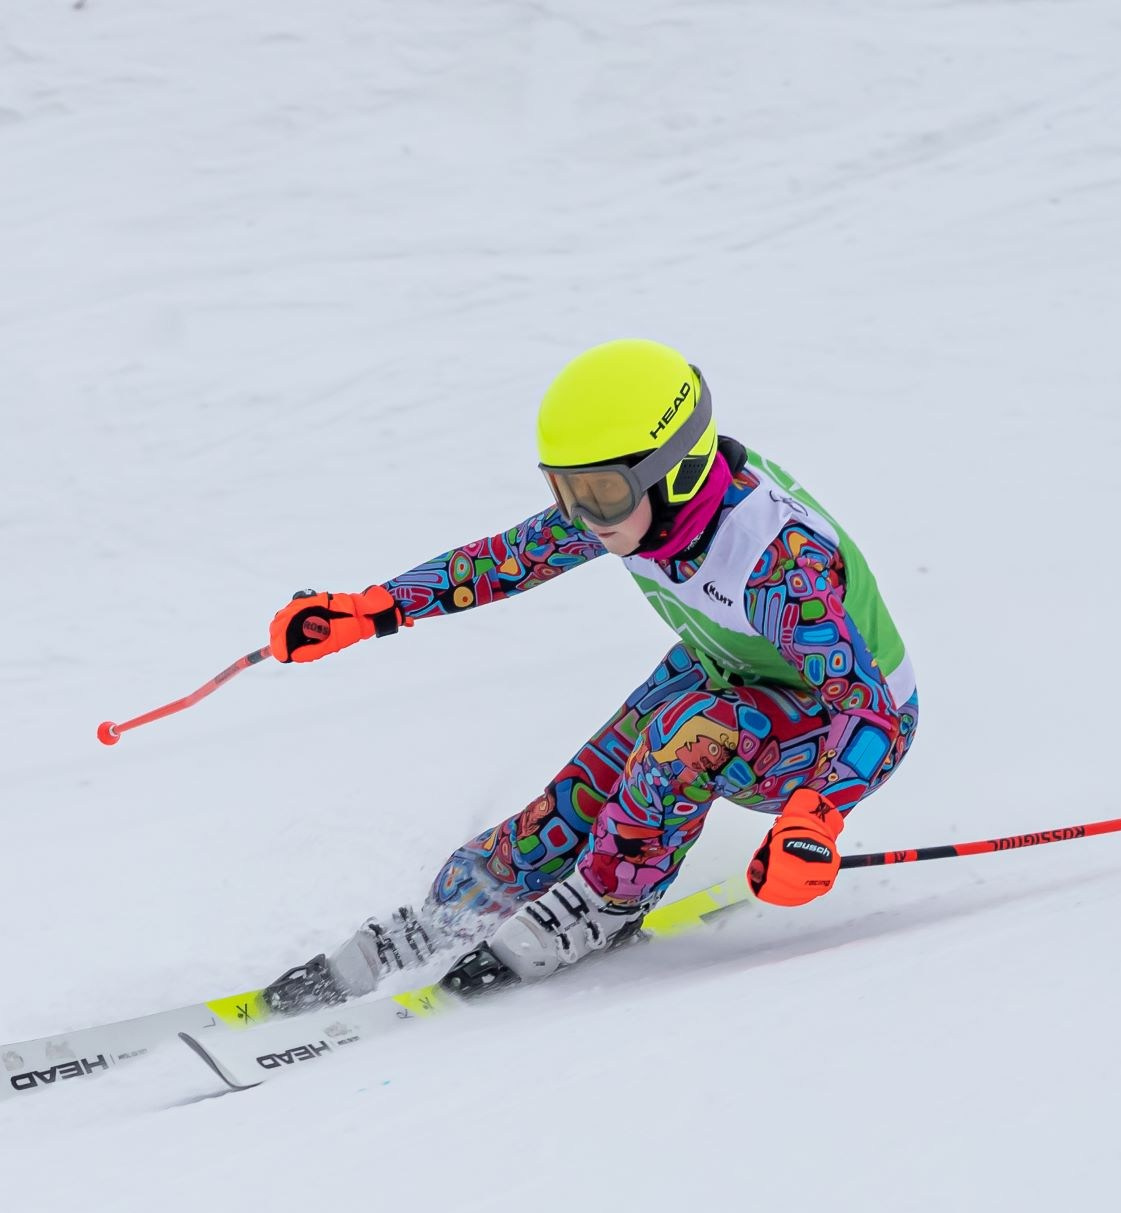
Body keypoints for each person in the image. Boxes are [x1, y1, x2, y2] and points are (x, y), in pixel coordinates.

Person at [260, 338, 920, 1010]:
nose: (579, 514)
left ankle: (606, 900)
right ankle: (452, 913)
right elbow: (510, 558)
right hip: (729, 668)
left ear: (679, 472)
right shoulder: (635, 510)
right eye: (564, 489)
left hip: (838, 728)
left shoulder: (777, 562)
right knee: (576, 799)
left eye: (598, 491)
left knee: (682, 738)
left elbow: (873, 714)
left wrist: (814, 817)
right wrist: (374, 608)